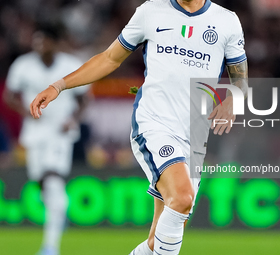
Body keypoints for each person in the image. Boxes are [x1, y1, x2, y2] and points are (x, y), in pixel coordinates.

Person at [30, 0, 248, 254]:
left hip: (195, 135)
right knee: (182, 198)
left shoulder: (227, 21)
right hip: (155, 123)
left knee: (162, 235)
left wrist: (235, 98)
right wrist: (58, 86)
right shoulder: (150, 12)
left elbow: (240, 76)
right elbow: (110, 58)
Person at [4, 24, 88, 255]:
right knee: (42, 184)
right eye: (36, 41)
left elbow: (84, 99)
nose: (39, 46)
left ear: (55, 42)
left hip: (60, 134)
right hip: (35, 133)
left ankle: (50, 247)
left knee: (52, 181)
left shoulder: (70, 66)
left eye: (44, 41)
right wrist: (26, 113)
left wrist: (73, 119)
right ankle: (61, 208)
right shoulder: (23, 65)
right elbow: (9, 96)